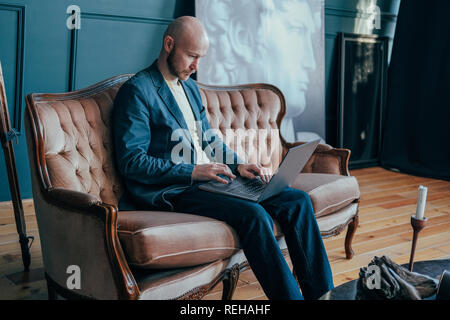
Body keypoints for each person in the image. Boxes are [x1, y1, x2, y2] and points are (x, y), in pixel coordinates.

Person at [112, 16, 333, 300]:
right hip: (173, 190)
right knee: (254, 215)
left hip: (208, 180)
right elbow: (132, 161)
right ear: (169, 44)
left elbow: (208, 140)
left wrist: (238, 165)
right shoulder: (138, 91)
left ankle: (323, 295)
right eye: (191, 56)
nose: (196, 67)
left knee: (297, 201)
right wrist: (194, 171)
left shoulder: (190, 88)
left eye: (200, 58)